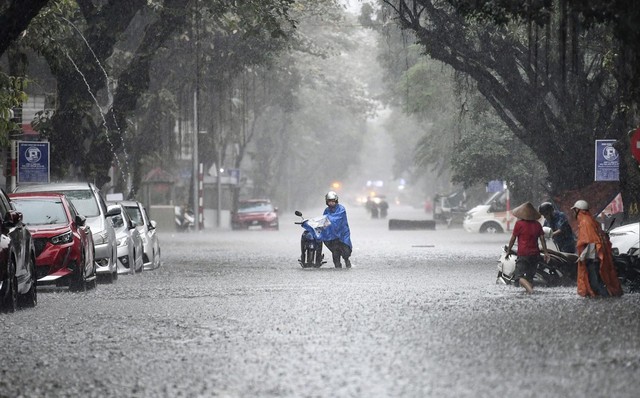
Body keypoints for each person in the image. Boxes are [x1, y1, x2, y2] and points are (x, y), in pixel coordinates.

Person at [572, 199, 622, 298]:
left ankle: (606, 298)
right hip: (594, 255)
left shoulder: (585, 221)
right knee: (597, 279)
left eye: (574, 210)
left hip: (593, 257)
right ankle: (604, 297)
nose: (573, 212)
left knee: (595, 281)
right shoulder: (589, 220)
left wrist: (583, 256)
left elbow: (591, 241)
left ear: (578, 210)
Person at [505, 202, 549, 294]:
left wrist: (508, 250)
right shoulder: (537, 225)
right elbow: (542, 239)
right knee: (530, 277)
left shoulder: (519, 224)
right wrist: (546, 252)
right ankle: (530, 294)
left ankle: (531, 292)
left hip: (523, 254)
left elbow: (513, 239)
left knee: (518, 277)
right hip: (535, 255)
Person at [320, 191, 352, 268]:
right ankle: (337, 267)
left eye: (332, 201)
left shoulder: (341, 209)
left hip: (342, 233)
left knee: (346, 251)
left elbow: (337, 219)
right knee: (335, 252)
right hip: (332, 234)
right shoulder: (326, 210)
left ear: (336, 201)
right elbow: (324, 220)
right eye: (329, 201)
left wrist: (328, 219)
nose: (331, 203)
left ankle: (347, 260)